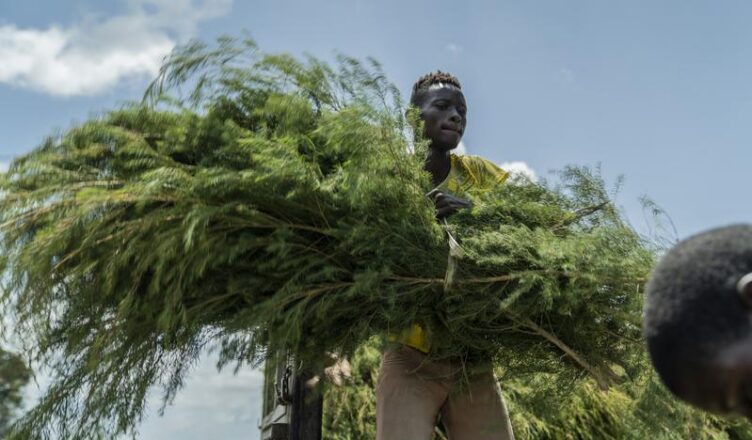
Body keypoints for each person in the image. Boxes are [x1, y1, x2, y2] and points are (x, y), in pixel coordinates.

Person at [375, 71, 516, 440]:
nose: (455, 116)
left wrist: (476, 215)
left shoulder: (479, 175)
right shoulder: (390, 178)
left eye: (462, 111)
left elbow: (525, 222)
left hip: (471, 359)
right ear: (412, 118)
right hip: (410, 355)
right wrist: (418, 218)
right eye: (442, 107)